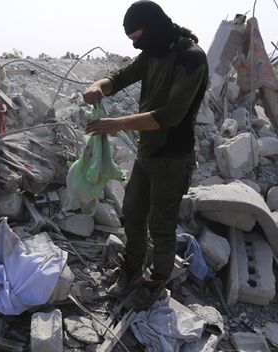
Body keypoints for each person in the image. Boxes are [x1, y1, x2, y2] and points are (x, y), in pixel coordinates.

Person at [83, 0, 208, 311]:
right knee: (133, 215)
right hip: (147, 153)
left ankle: (156, 283)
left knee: (162, 225)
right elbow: (119, 77)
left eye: (137, 37)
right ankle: (131, 272)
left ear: (152, 29)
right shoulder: (151, 54)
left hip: (172, 157)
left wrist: (115, 124)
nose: (136, 44)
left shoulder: (190, 58)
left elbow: (169, 115)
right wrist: (97, 86)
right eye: (131, 40)